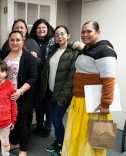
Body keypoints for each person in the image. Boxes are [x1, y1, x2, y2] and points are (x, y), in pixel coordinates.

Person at [61, 21, 117, 156]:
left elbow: (109, 80)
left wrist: (105, 104)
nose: (85, 34)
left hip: (94, 103)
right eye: (83, 31)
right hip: (81, 100)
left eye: (89, 31)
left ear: (98, 32)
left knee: (92, 139)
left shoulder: (105, 51)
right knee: (79, 135)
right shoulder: (88, 48)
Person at [39, 25, 81, 156]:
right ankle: (58, 141)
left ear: (68, 35)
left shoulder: (74, 52)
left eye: (62, 34)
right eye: (57, 34)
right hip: (50, 92)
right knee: (55, 120)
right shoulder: (53, 50)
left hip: (62, 94)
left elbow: (71, 78)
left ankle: (62, 146)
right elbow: (47, 73)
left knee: (57, 120)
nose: (60, 36)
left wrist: (63, 97)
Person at [4, 31, 38, 156]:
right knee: (10, 122)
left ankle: (23, 149)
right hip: (6, 96)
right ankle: (14, 143)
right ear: (8, 41)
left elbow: (33, 77)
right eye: (12, 40)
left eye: (18, 40)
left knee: (22, 122)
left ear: (23, 41)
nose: (15, 42)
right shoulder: (4, 54)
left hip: (21, 95)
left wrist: (20, 91)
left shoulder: (28, 56)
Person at [29, 18, 56, 137]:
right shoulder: (31, 41)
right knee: (38, 105)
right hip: (35, 78)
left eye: (43, 27)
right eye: (38, 28)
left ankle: (48, 126)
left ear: (47, 29)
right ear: (35, 30)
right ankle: (39, 125)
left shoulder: (53, 42)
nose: (41, 30)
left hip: (49, 77)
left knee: (48, 105)